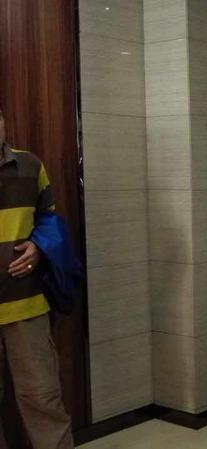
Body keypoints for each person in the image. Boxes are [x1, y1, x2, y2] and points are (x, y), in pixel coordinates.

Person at [0, 105, 74, 449]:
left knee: (43, 398)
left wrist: (39, 247)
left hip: (26, 304)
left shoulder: (30, 165)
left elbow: (49, 218)